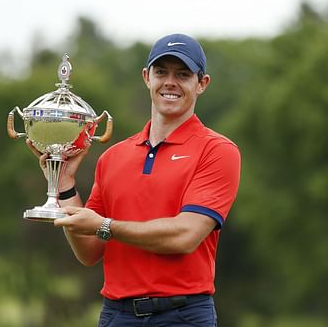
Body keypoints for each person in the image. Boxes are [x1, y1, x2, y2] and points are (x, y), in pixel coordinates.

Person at [27, 33, 241, 326]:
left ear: (202, 84)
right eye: (161, 72)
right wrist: (64, 185)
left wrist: (105, 226)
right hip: (117, 314)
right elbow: (89, 251)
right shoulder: (114, 156)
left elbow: (185, 236)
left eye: (183, 74)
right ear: (146, 77)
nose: (170, 82)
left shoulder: (217, 151)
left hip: (183, 315)